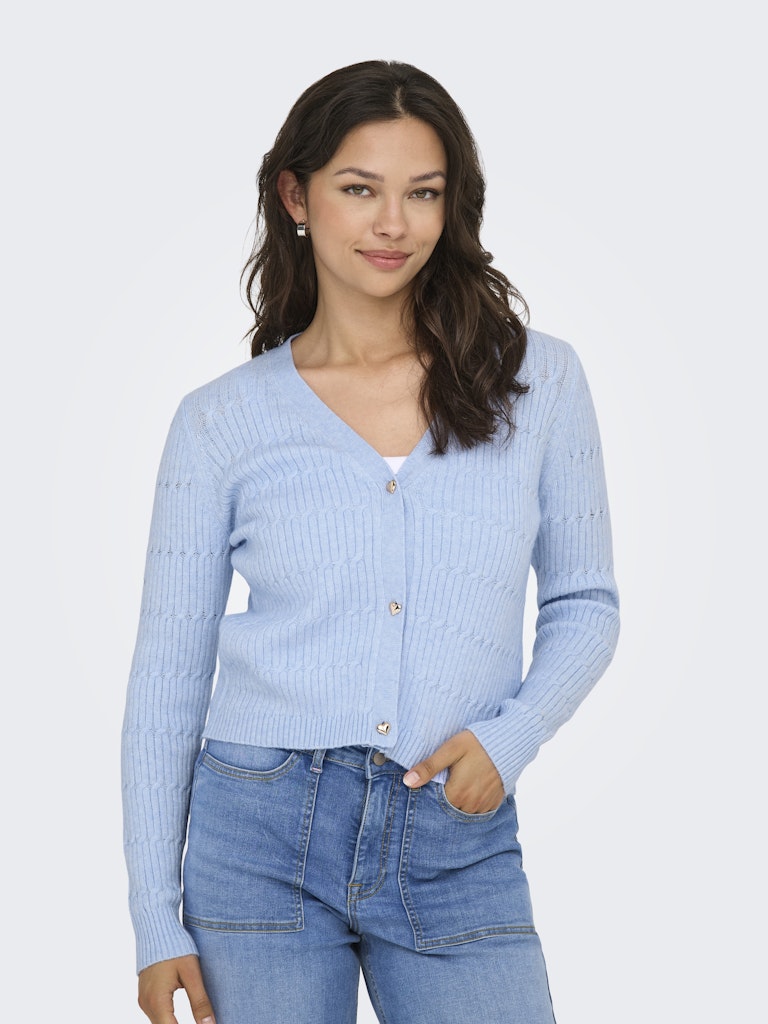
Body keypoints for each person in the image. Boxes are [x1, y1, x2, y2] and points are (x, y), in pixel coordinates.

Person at [122, 60, 620, 1024]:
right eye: (360, 189)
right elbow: (167, 678)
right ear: (295, 197)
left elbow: (585, 603)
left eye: (422, 193)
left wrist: (510, 739)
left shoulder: (539, 382)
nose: (394, 223)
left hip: (456, 833)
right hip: (257, 836)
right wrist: (155, 919)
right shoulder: (220, 421)